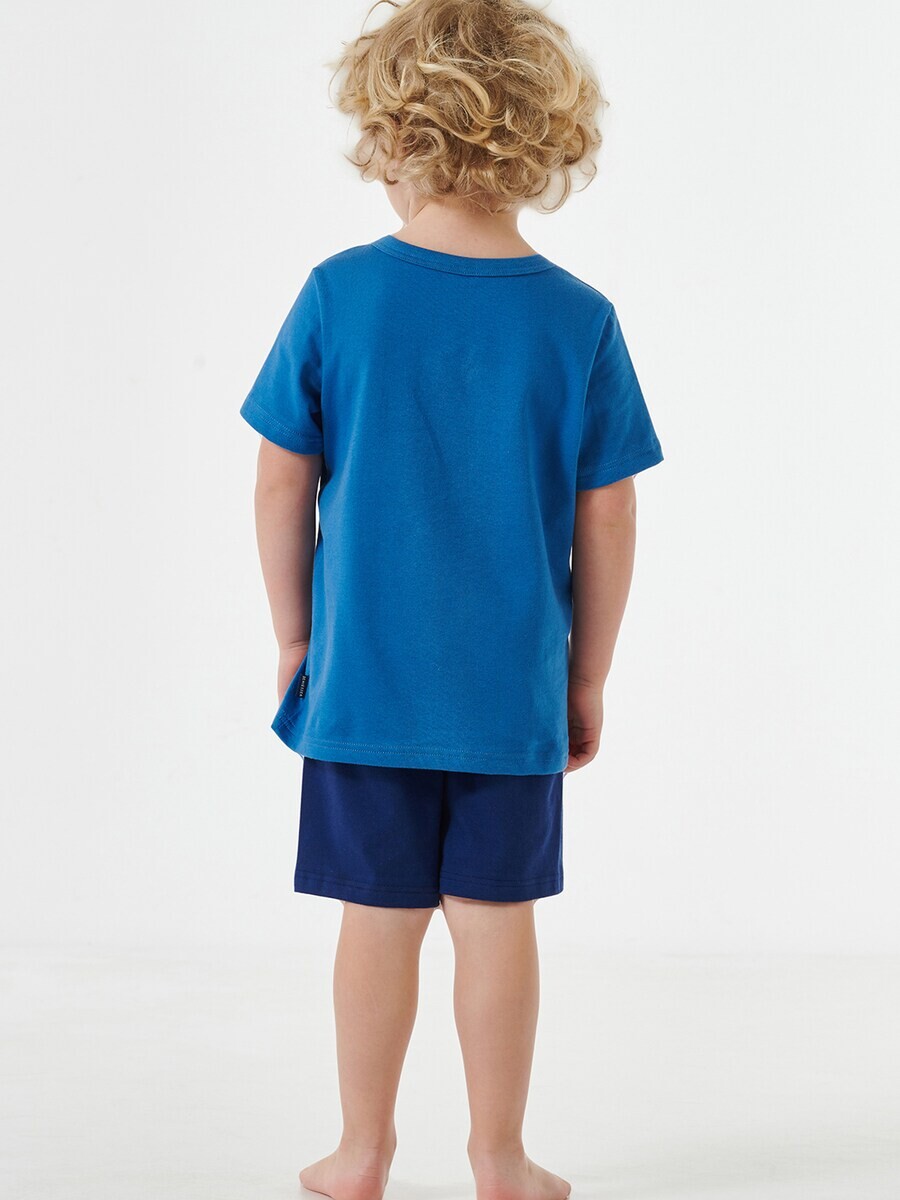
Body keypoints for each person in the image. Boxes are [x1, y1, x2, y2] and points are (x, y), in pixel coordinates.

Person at [239, 1, 664, 1197]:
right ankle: (501, 1158)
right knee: (496, 915)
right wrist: (587, 674)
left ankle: (360, 1154)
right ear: (544, 139)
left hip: (365, 683)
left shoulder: (339, 296)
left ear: (391, 134)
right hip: (508, 689)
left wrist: (294, 635)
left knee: (375, 917)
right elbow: (610, 515)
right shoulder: (578, 319)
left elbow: (279, 479)